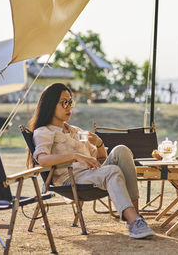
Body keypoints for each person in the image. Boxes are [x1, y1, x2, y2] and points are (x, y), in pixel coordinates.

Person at [27, 83, 154, 239]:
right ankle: (134, 221)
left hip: (92, 173)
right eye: (64, 102)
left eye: (70, 102)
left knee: (122, 150)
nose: (69, 107)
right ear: (50, 104)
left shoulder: (77, 131)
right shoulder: (44, 131)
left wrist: (99, 143)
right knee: (112, 171)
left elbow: (101, 159)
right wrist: (75, 156)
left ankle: (134, 217)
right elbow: (42, 159)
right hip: (71, 178)